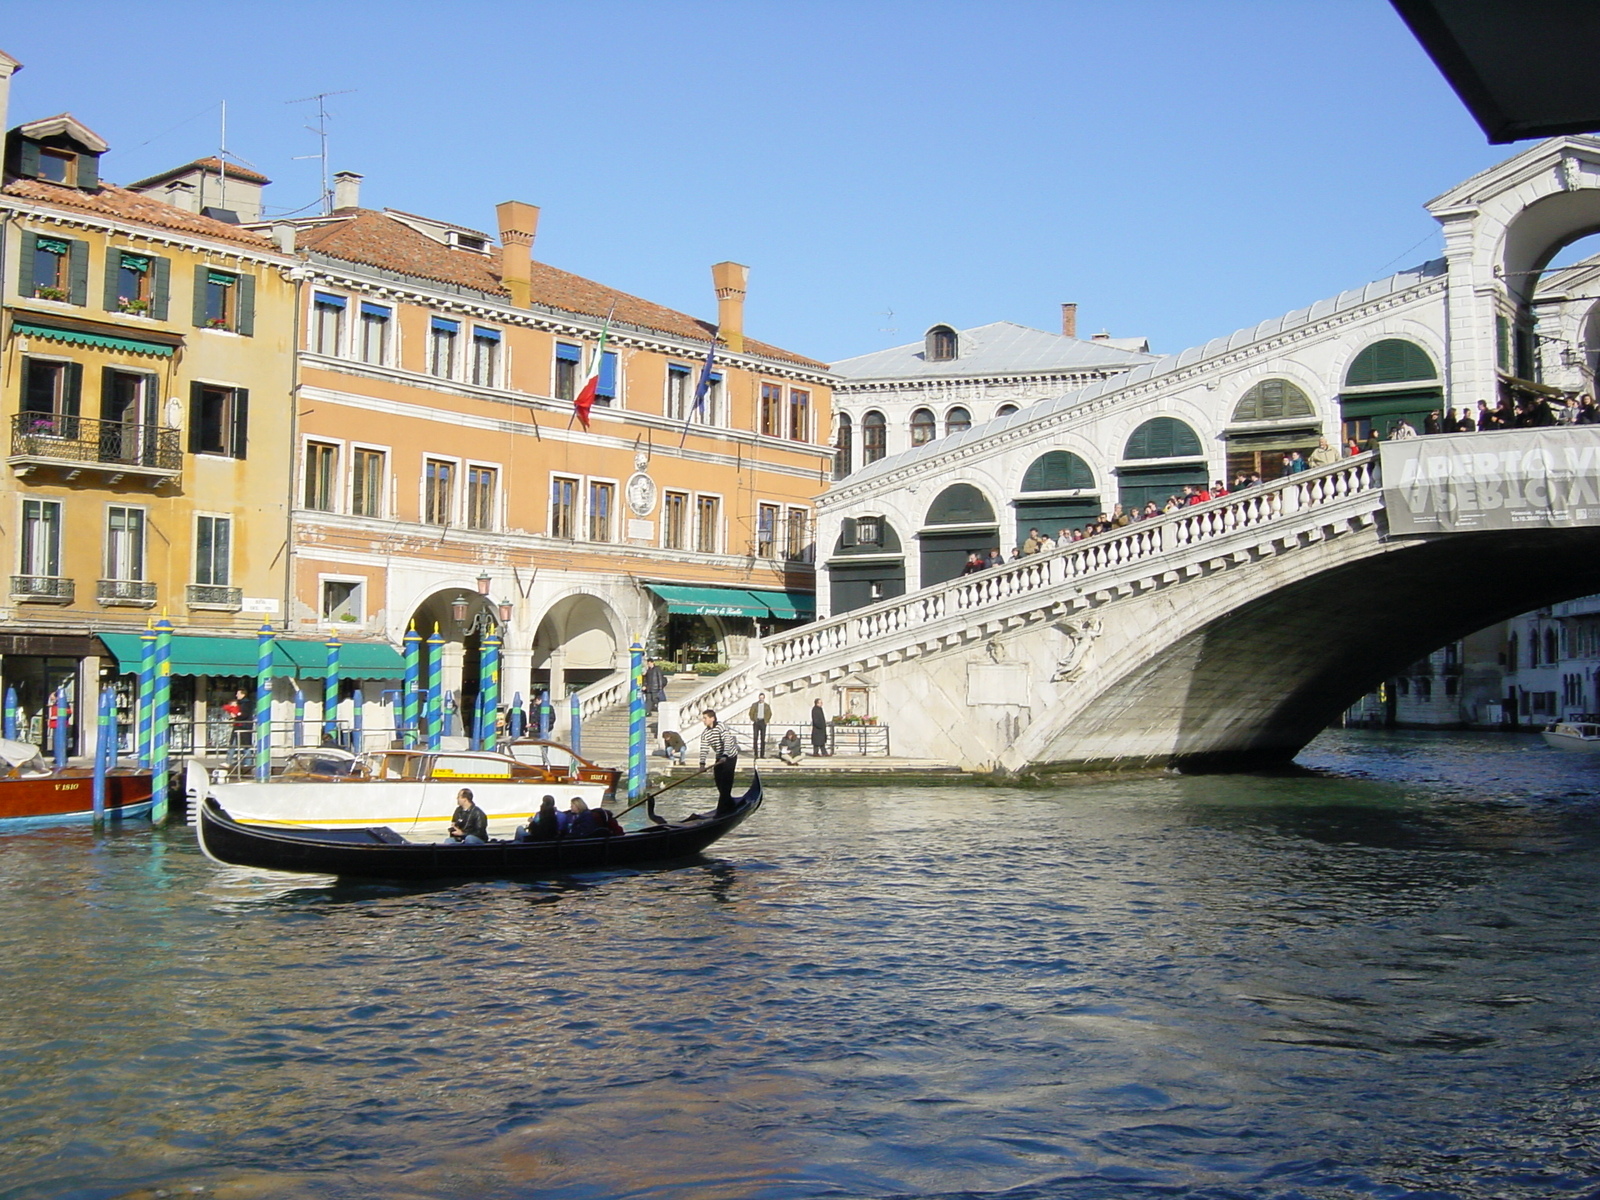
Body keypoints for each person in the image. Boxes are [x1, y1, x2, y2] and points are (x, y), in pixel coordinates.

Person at [699, 709, 740, 814]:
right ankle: (728, 802)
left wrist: (725, 755)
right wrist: (702, 764)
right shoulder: (705, 733)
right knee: (718, 781)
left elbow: (726, 741)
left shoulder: (721, 726)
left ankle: (722, 808)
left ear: (712, 718)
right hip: (719, 757)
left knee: (726, 781)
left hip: (730, 755)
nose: (703, 720)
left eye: (705, 718)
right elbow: (704, 749)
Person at [747, 692, 772, 757]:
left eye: (762, 698)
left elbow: (769, 713)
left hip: (763, 722)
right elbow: (751, 713)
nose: (761, 699)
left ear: (764, 698)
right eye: (760, 698)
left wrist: (766, 720)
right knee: (755, 738)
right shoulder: (754, 705)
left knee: (762, 739)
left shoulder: (767, 706)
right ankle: (756, 754)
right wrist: (754, 719)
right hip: (756, 721)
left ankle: (762, 754)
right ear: (759, 698)